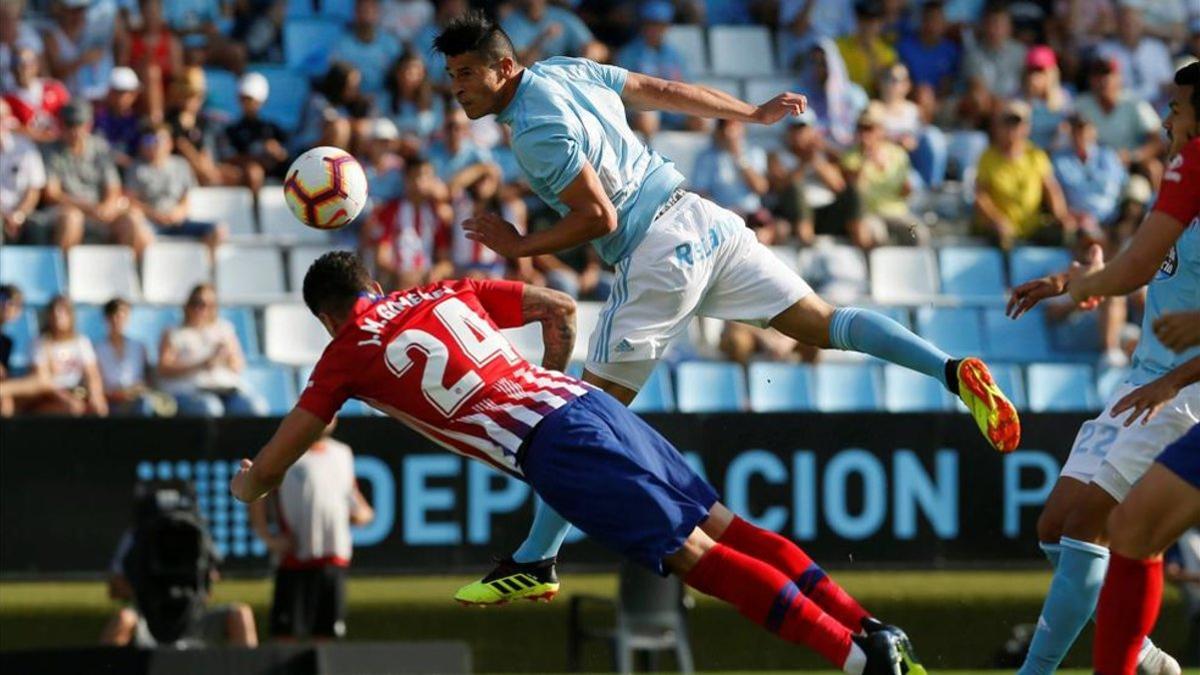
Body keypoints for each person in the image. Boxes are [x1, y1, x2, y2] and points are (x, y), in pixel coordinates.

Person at [431, 12, 1020, 605]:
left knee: (580, 422)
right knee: (822, 321)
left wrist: (519, 245)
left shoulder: (533, 128)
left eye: (467, 74)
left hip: (653, 252)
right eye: (453, 76)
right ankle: (949, 370)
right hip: (704, 218)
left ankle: (537, 558)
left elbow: (599, 218)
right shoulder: (565, 70)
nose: (458, 89)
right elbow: (661, 91)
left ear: (505, 67)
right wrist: (750, 114)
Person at [231, 251, 927, 675]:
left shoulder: (344, 352)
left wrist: (246, 483)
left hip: (555, 446)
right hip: (587, 404)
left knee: (693, 555)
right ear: (376, 282)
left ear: (327, 316)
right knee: (727, 524)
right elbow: (560, 306)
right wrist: (547, 378)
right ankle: (868, 626)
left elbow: (275, 463)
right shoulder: (443, 290)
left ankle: (855, 658)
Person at [1005, 61, 1200, 675]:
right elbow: (1133, 261)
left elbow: (1136, 270)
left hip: (1184, 385)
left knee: (1094, 525)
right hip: (1146, 376)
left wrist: (1175, 377)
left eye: (1178, 107)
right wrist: (1071, 279)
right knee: (1055, 526)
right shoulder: (1179, 176)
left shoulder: (1191, 168)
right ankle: (1138, 652)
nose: (1167, 116)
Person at [249, 422, 374, 640]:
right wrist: (268, 538)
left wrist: (359, 514)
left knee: (327, 635)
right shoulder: (284, 452)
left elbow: (356, 501)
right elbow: (256, 492)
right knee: (285, 635)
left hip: (333, 557)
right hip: (295, 557)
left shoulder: (342, 453)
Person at [41, 99, 153, 255]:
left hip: (97, 212)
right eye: (69, 124)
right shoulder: (50, 150)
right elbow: (52, 194)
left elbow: (113, 187)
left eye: (78, 124)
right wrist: (89, 208)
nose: (74, 130)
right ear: (61, 125)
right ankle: (63, 275)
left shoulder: (100, 148)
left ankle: (129, 273)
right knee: (72, 218)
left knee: (132, 219)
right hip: (65, 211)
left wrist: (106, 207)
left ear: (88, 125)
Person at [973, 100, 1076, 249]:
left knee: (1067, 234)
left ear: (1026, 128)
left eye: (1016, 124)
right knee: (1003, 241)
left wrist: (1061, 216)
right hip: (1001, 229)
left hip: (1032, 226)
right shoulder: (987, 158)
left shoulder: (1036, 155)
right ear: (998, 127)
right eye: (1006, 123)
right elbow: (981, 196)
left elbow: (1051, 189)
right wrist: (996, 220)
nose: (1011, 129)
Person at [157, 283, 267, 417]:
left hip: (225, 389)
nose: (200, 309)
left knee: (254, 406)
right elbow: (164, 369)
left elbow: (238, 366)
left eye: (207, 305)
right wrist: (200, 365)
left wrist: (224, 356)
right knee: (210, 408)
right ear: (187, 305)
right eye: (196, 303)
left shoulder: (224, 329)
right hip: (190, 390)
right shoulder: (173, 332)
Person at [126, 123, 226, 254]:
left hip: (179, 222)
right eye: (149, 140)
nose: (154, 145)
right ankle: (148, 271)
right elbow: (131, 201)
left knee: (218, 230)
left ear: (169, 143)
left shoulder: (181, 164)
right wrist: (154, 214)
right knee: (139, 233)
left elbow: (186, 197)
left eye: (159, 140)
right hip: (151, 222)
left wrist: (179, 212)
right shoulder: (136, 168)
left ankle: (206, 270)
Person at [840, 103, 926, 249]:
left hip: (898, 212)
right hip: (870, 214)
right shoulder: (850, 156)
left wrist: (909, 188)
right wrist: (865, 160)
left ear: (881, 130)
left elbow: (904, 192)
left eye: (869, 128)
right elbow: (855, 191)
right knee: (877, 236)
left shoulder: (898, 154)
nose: (864, 134)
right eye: (860, 128)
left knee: (919, 233)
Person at [1074, 56, 1164, 187]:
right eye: (1098, 75)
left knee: (1152, 167)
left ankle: (1158, 205)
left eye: (1108, 74)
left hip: (1130, 164)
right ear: (1090, 80)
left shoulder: (1134, 102)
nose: (1103, 80)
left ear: (1119, 78)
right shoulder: (1081, 105)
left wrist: (1133, 156)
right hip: (1093, 165)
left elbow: (1157, 141)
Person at [29, 295, 108, 416]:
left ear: (71, 315)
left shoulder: (82, 342)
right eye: (54, 313)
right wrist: (66, 398)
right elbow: (42, 380)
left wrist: (96, 396)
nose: (58, 316)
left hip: (77, 392)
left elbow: (92, 374)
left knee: (99, 408)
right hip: (50, 396)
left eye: (62, 312)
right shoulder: (41, 343)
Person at [1052, 114, 1127, 237]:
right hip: (1077, 222)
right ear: (1071, 134)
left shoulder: (1108, 156)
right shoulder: (1059, 160)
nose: (1082, 135)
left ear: (1094, 133)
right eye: (1077, 131)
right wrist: (1069, 215)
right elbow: (1056, 193)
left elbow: (1118, 188)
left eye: (1086, 130)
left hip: (1110, 220)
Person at [691, 118, 769, 218]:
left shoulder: (754, 152)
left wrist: (738, 157)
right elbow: (700, 192)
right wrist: (720, 212)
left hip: (751, 214)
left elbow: (760, 188)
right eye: (724, 126)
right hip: (720, 216)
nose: (728, 133)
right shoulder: (705, 157)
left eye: (734, 127)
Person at [223, 73, 289, 189]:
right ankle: (255, 206)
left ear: (261, 101)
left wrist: (277, 152)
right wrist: (257, 158)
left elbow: (287, 155)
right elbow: (229, 157)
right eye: (244, 99)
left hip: (275, 173)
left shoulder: (273, 129)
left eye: (250, 99)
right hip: (248, 176)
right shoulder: (232, 130)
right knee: (254, 172)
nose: (247, 104)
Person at [330, 0, 401, 96]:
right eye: (361, 11)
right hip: (350, 100)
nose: (366, 16)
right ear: (355, 14)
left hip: (383, 100)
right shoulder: (341, 44)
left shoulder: (390, 43)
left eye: (370, 10)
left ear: (378, 13)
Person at [3, 45, 70, 143]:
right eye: (15, 63)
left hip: (60, 147)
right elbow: (10, 129)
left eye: (26, 63)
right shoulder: (8, 101)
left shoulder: (54, 88)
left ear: (36, 65)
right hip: (28, 151)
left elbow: (71, 117)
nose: (20, 69)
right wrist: (38, 134)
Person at [0, 98, 46, 244]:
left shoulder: (25, 148)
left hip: (23, 214)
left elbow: (34, 190)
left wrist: (19, 214)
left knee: (38, 227)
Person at [962, 2, 1027, 100]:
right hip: (986, 107)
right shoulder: (973, 54)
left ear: (1009, 27)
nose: (996, 30)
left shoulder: (1021, 52)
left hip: (1016, 105)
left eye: (1001, 25)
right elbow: (978, 89)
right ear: (983, 26)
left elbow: (1026, 84)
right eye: (992, 24)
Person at [835, 1, 897, 97]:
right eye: (864, 20)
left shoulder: (888, 54)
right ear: (857, 20)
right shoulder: (839, 46)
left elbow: (886, 89)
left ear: (881, 24)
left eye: (873, 21)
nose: (868, 26)